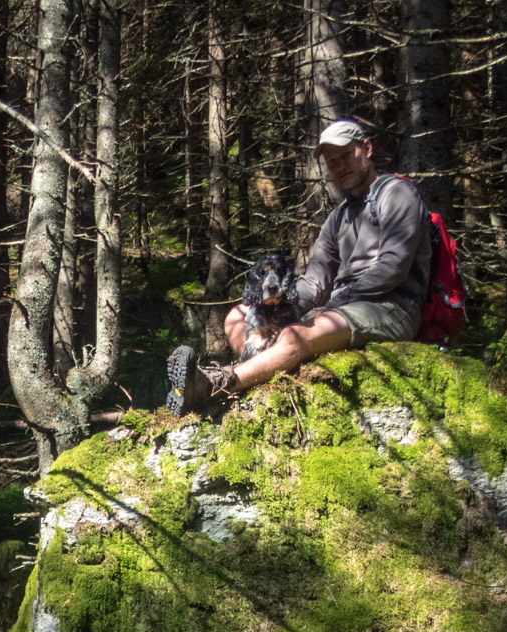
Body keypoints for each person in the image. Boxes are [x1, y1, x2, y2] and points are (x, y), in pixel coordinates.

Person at [167, 118, 432, 415]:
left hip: (392, 307)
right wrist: (277, 304)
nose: (339, 166)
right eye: (332, 162)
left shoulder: (397, 194)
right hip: (343, 308)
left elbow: (392, 267)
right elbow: (316, 280)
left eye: (346, 155)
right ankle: (257, 373)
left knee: (295, 334)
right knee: (238, 315)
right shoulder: (339, 217)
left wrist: (332, 306)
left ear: (367, 149)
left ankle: (218, 384)